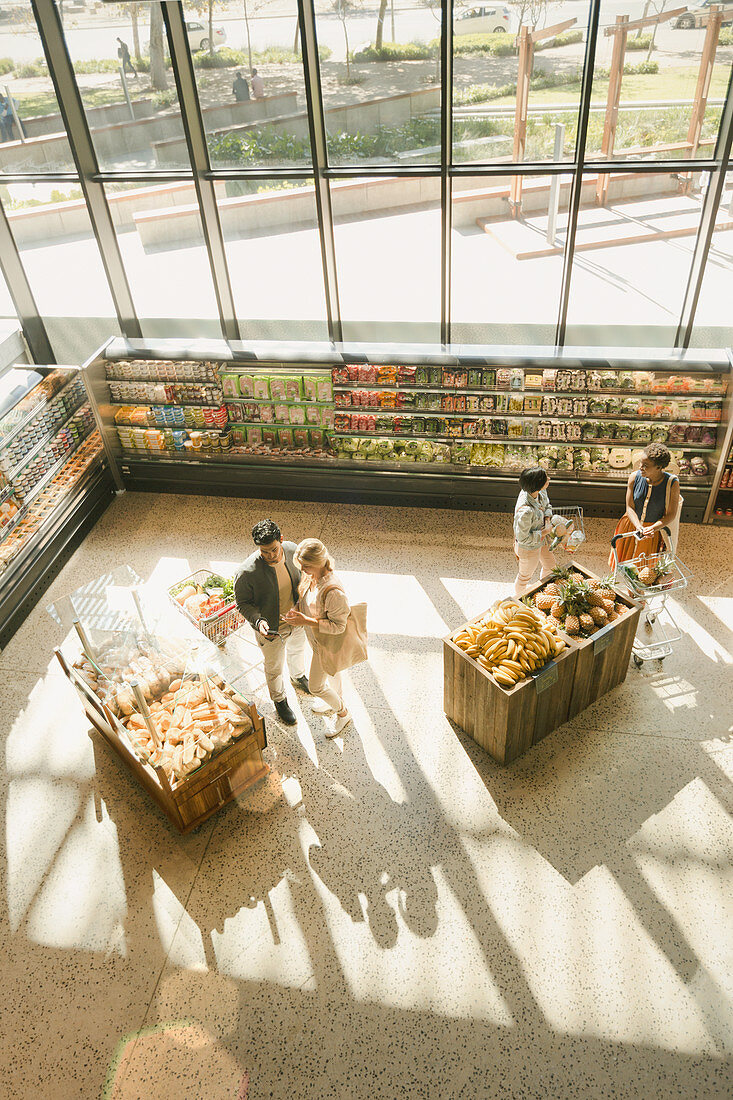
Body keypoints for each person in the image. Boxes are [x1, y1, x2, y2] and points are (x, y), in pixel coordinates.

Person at [234, 518, 310, 726]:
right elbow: (242, 603)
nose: (270, 556)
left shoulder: (293, 551)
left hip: (297, 619)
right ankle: (280, 700)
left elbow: (305, 575)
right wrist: (258, 622)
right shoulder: (247, 572)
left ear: (281, 540)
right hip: (271, 629)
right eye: (264, 552)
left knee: (298, 650)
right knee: (274, 667)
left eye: (274, 550)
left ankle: (298, 677)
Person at [283, 538, 352, 739]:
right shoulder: (311, 576)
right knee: (331, 672)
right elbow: (304, 599)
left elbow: (339, 626)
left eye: (306, 565)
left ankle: (343, 713)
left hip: (326, 644)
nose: (302, 569)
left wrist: (306, 620)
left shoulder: (334, 592)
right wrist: (297, 610)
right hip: (316, 641)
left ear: (320, 562)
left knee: (315, 686)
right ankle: (335, 700)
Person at [610, 442, 680, 565]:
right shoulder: (633, 477)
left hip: (652, 532)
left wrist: (651, 529)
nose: (640, 467)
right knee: (622, 563)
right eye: (641, 463)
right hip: (630, 526)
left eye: (645, 465)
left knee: (644, 567)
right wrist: (638, 527)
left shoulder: (671, 483)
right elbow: (630, 508)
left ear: (659, 467)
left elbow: (671, 514)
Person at [513, 465, 555, 596]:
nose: (549, 478)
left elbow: (547, 505)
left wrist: (547, 520)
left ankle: (546, 591)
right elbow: (523, 538)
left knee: (551, 566)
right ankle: (519, 600)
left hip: (541, 541)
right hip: (528, 548)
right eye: (545, 478)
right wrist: (544, 532)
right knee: (524, 576)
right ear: (538, 484)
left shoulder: (539, 492)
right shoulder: (525, 511)